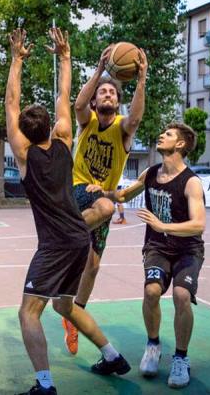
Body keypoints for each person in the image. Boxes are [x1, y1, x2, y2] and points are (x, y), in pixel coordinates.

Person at [7, 27, 130, 395]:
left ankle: (45, 386)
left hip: (57, 245)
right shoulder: (64, 140)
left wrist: (16, 60)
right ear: (52, 126)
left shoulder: (24, 156)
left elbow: (11, 103)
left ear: (23, 133)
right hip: (80, 240)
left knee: (28, 312)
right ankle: (112, 355)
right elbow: (64, 95)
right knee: (64, 305)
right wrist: (65, 56)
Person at [105, 123, 206, 389]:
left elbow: (198, 224)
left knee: (181, 296)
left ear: (181, 144)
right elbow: (123, 195)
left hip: (187, 249)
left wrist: (163, 226)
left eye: (169, 134)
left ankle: (181, 358)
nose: (161, 135)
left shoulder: (191, 182)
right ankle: (153, 345)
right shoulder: (150, 173)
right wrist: (100, 191)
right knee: (151, 291)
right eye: (162, 132)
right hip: (157, 247)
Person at [62, 42, 148, 355]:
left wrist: (141, 79)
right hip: (78, 188)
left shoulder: (123, 130)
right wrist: (100, 71)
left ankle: (75, 314)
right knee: (106, 205)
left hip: (102, 199)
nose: (108, 94)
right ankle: (63, 235)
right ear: (96, 101)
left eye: (112, 92)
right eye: (103, 92)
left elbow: (135, 119)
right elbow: (77, 105)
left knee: (94, 264)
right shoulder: (88, 122)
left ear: (118, 101)